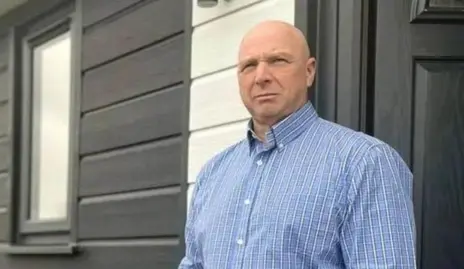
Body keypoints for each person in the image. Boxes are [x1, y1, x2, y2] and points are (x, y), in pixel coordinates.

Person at [178, 20, 416, 268]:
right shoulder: (213, 174)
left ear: (309, 71)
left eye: (277, 61)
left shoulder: (363, 163)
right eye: (249, 66)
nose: (261, 77)